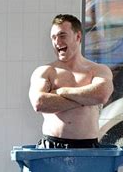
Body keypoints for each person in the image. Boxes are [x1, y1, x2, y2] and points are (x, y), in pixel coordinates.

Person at [29, 14, 114, 148]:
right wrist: (86, 99)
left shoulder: (98, 70)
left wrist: (61, 91)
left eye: (62, 35)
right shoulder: (45, 71)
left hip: (88, 147)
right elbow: (39, 103)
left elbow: (101, 95)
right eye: (53, 37)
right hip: (52, 147)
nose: (57, 42)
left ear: (78, 37)